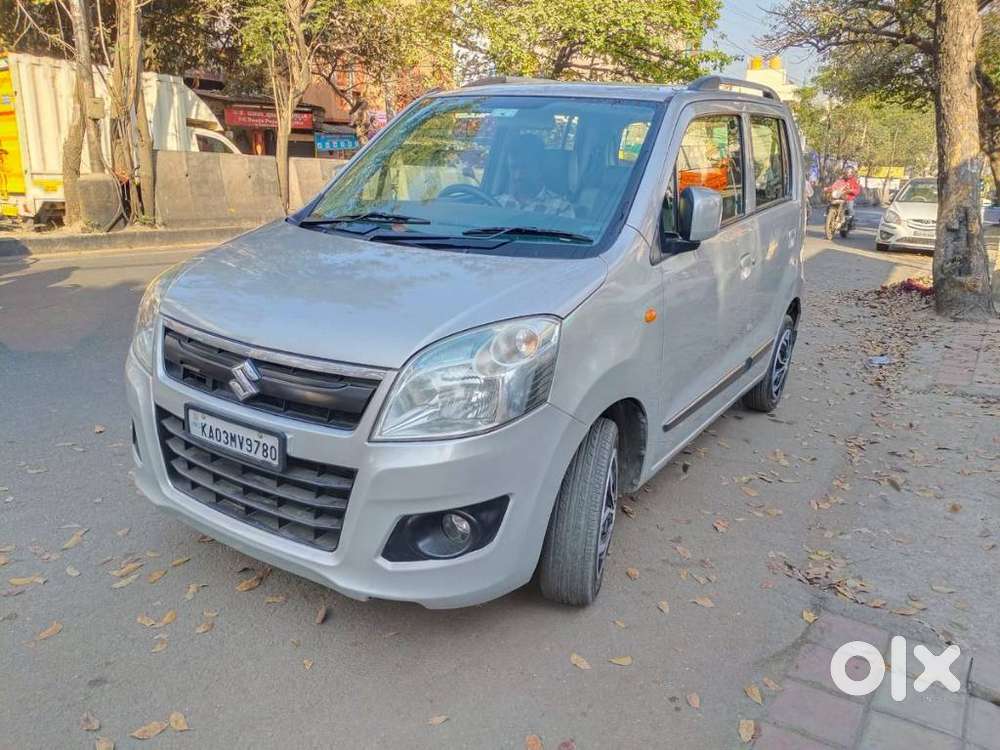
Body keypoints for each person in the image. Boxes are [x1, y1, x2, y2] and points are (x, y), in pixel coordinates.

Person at [495, 133, 575, 217]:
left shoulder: (561, 209)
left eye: (525, 168)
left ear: (541, 168)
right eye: (513, 168)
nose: (518, 176)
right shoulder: (497, 203)